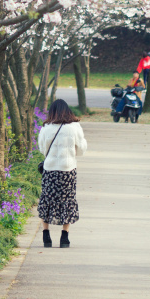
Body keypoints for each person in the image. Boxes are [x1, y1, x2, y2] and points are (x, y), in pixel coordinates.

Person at [37, 98, 87, 248]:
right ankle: (64, 237)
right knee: (68, 201)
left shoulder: (46, 127)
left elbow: (42, 149)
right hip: (68, 170)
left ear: (52, 112)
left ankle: (46, 236)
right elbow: (82, 149)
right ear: (68, 111)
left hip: (50, 170)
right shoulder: (75, 127)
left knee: (47, 200)